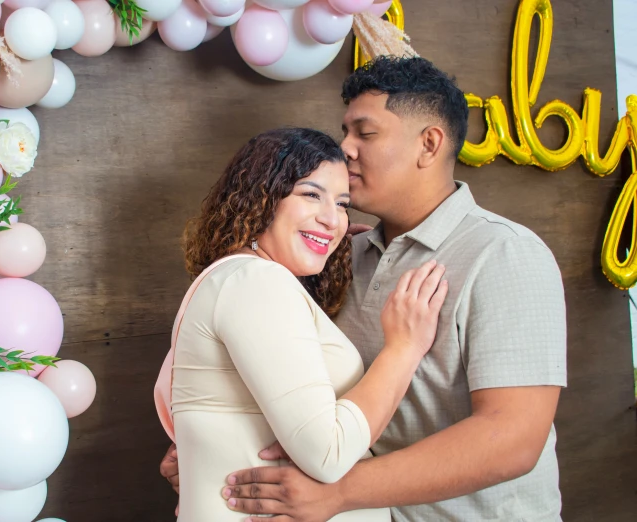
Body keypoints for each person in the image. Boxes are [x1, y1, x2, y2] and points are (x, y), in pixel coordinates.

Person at [161, 57, 567, 521]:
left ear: (429, 144)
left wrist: (340, 492)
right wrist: (211, 445)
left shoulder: (505, 255)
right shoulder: (336, 258)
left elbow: (512, 440)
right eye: (345, 132)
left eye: (365, 133)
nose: (345, 148)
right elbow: (292, 384)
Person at [156, 126, 448, 521]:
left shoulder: (239, 280)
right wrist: (404, 348)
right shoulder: (256, 282)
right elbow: (328, 454)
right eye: (311, 194)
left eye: (343, 204)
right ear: (262, 199)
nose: (333, 219)